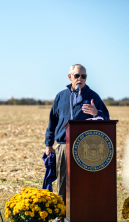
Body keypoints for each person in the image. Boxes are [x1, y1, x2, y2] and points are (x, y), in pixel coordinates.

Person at [44, 64, 109, 221]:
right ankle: (60, 217)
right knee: (61, 184)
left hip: (85, 146)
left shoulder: (93, 96)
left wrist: (96, 113)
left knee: (83, 183)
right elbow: (52, 122)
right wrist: (48, 144)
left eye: (83, 76)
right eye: (77, 76)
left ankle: (83, 213)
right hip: (62, 145)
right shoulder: (60, 96)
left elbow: (106, 119)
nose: (80, 79)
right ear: (70, 77)